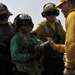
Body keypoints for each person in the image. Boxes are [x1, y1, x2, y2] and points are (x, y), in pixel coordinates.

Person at [33, 2, 66, 75]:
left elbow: (65, 35)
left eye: (54, 12)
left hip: (59, 58)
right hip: (47, 59)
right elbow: (33, 42)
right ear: (45, 15)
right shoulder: (40, 26)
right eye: (49, 13)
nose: (51, 15)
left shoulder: (58, 24)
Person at [47, 0, 75, 75]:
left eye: (61, 6)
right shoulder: (41, 26)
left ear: (68, 4)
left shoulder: (72, 15)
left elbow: (72, 43)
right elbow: (69, 47)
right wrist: (55, 46)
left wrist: (69, 67)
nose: (61, 10)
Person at [0, 3, 15, 75]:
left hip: (13, 60)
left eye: (5, 16)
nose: (4, 19)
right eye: (1, 17)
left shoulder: (13, 26)